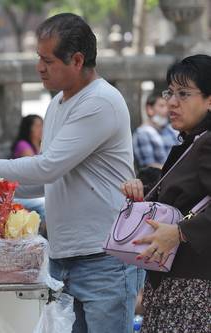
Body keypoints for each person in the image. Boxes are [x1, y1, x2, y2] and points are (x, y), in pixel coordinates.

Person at [0, 13, 138, 332]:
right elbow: (49, 179)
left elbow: (46, 168)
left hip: (103, 259)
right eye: (39, 58)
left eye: (47, 60)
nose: (40, 67)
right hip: (65, 260)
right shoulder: (57, 104)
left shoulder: (100, 101)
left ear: (76, 60)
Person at [121, 55, 211, 332]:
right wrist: (144, 196)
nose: (172, 102)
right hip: (172, 283)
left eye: (184, 94)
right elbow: (185, 200)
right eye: (170, 92)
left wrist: (180, 232)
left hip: (195, 289)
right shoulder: (190, 141)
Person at [11, 115, 46, 229]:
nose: (41, 129)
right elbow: (35, 170)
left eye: (42, 125)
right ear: (29, 128)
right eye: (37, 125)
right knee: (44, 204)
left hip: (32, 189)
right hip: (21, 192)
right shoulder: (23, 145)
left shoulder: (40, 145)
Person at [132, 93, 179, 169]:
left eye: (168, 106)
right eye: (162, 106)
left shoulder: (172, 129)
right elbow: (149, 166)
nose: (166, 110)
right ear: (149, 109)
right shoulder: (143, 133)